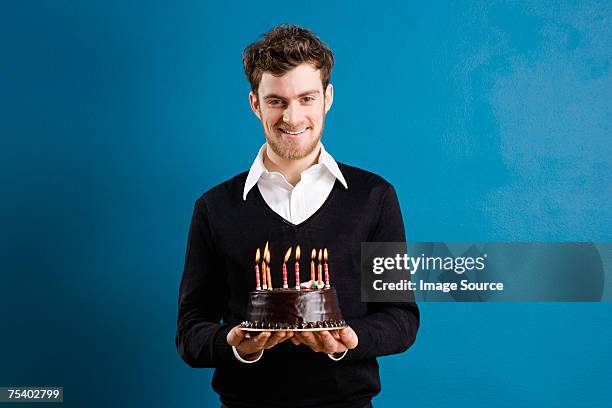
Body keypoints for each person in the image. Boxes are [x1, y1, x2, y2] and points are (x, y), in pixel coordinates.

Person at [175, 24, 420, 408]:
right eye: (277, 101)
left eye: (306, 98)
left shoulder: (374, 197)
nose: (292, 117)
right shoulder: (215, 207)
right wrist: (234, 343)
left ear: (328, 98)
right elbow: (190, 332)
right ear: (255, 103)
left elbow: (402, 318)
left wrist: (350, 339)